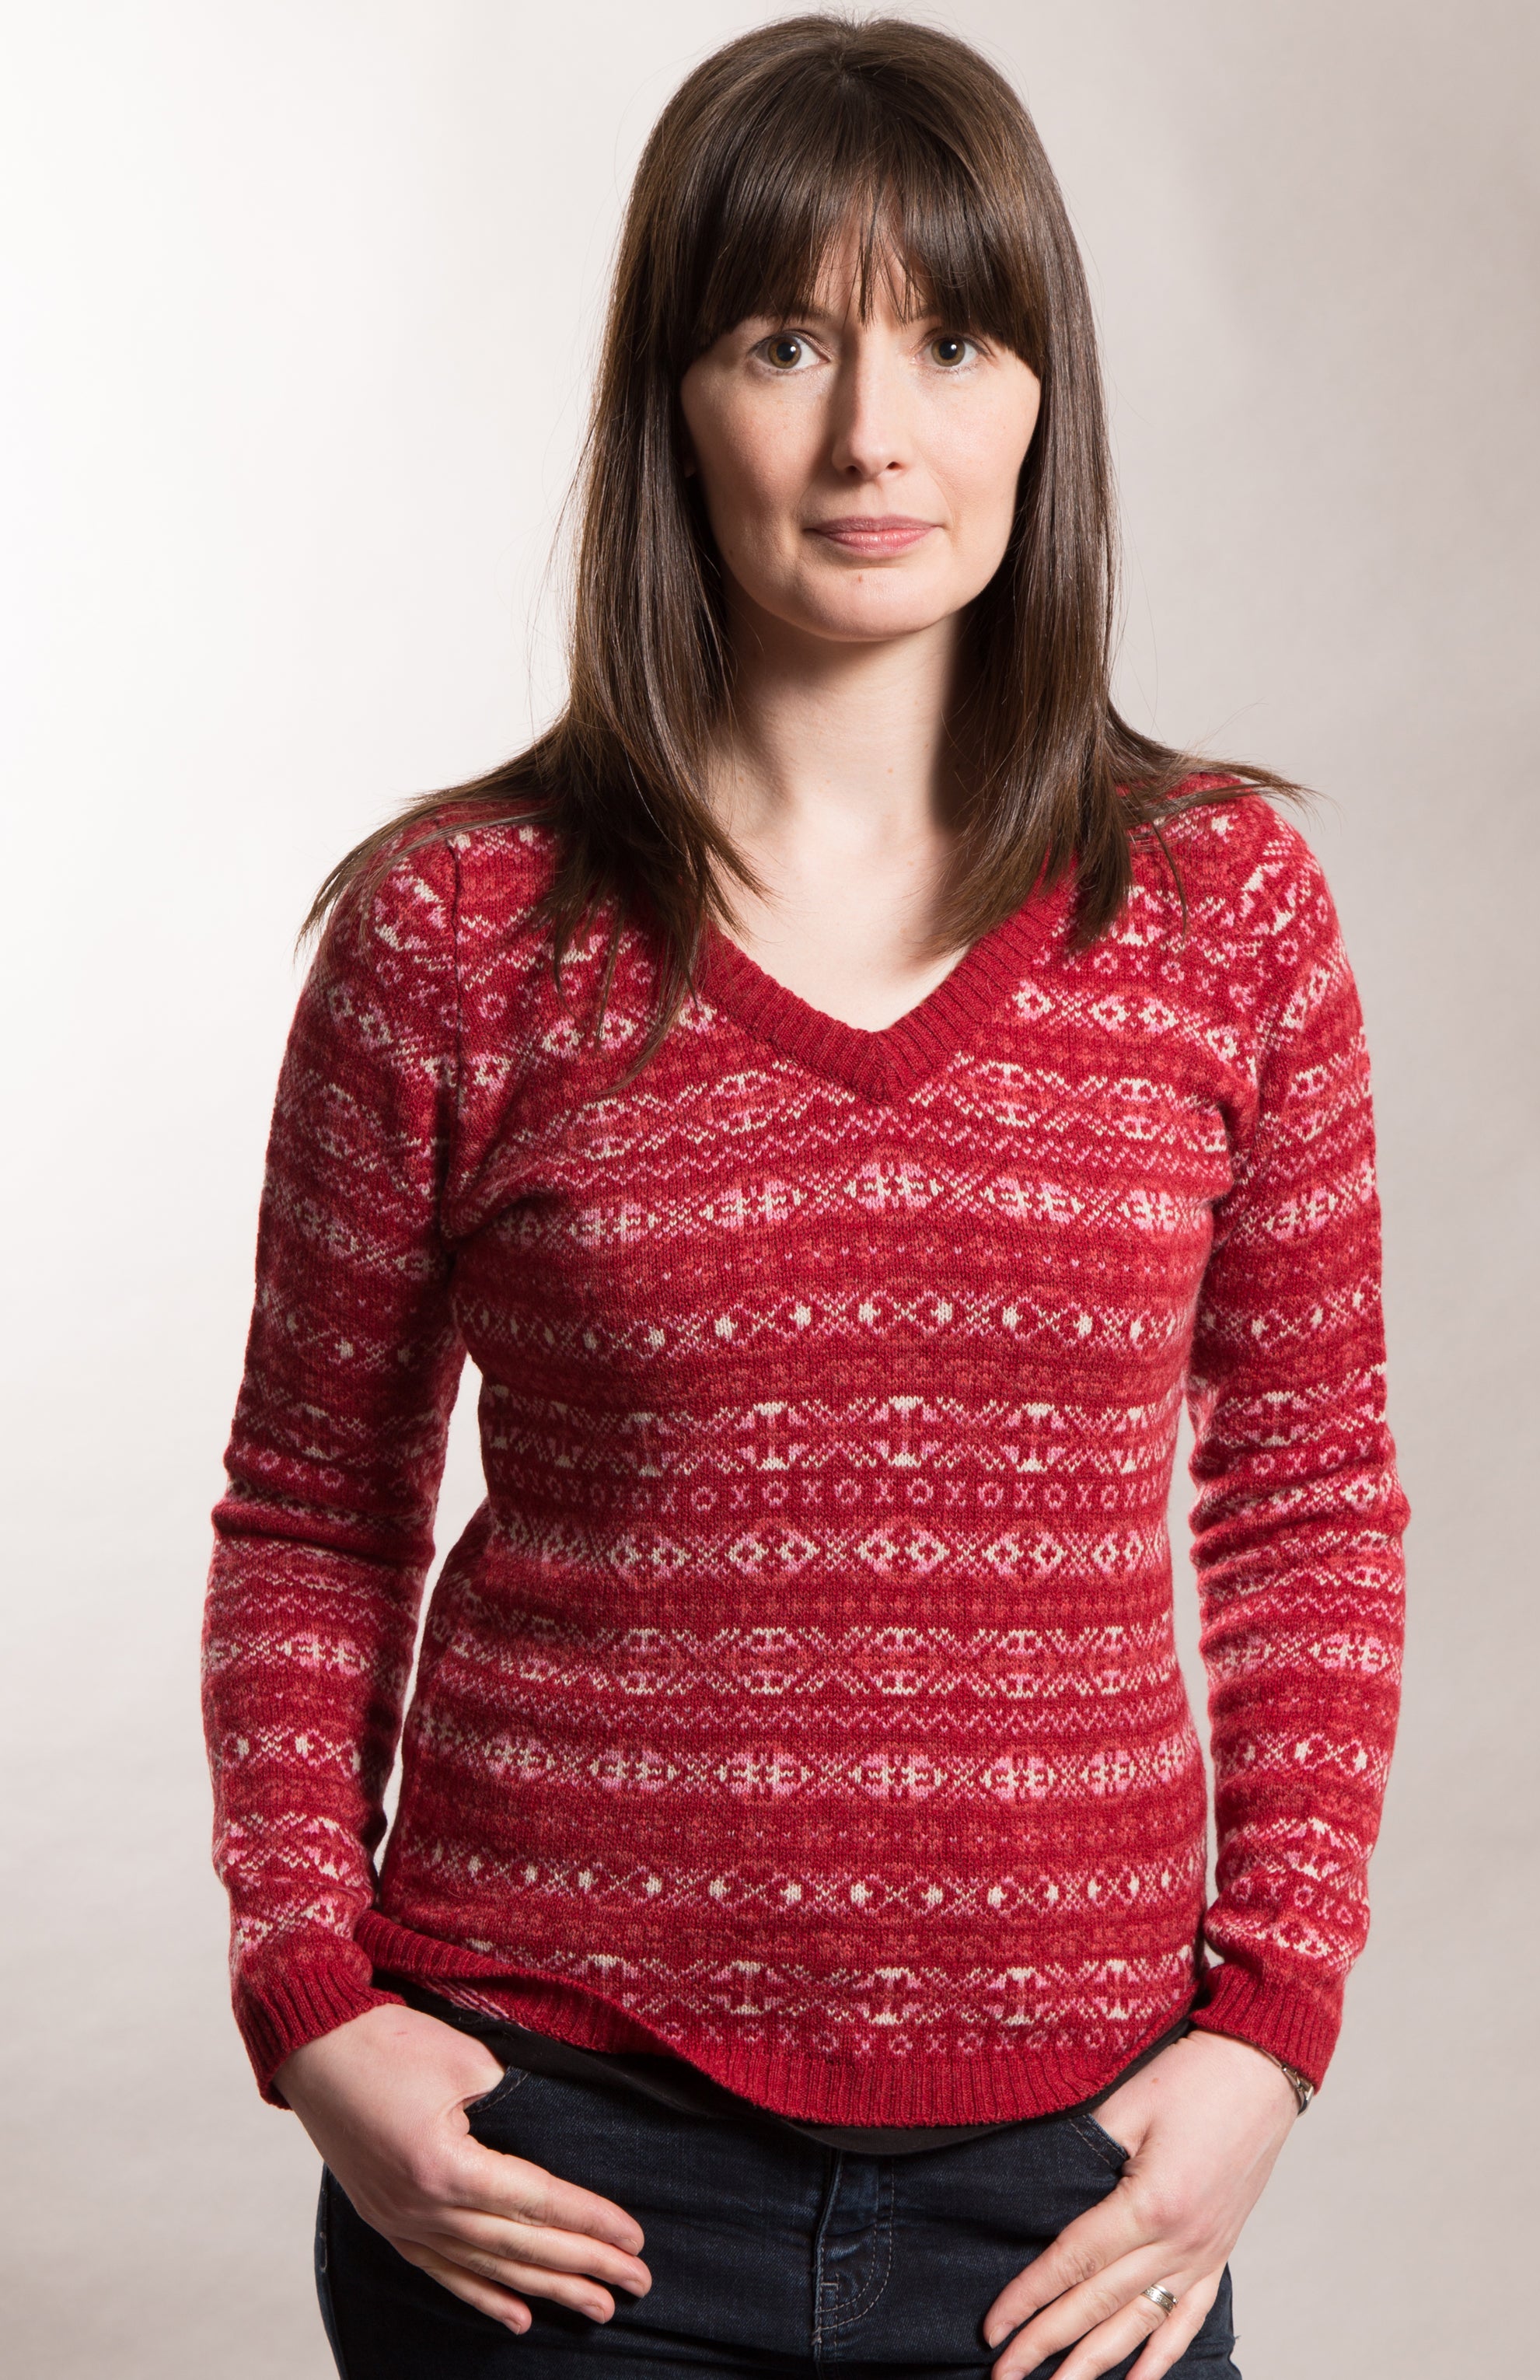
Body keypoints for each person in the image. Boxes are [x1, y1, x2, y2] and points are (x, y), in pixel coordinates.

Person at [201, 16, 1409, 2378]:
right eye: (784, 342)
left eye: (952, 341)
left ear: (1044, 399)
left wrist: (1272, 2029)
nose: (876, 433)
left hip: (1070, 2206)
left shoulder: (1226, 914)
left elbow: (1310, 1499)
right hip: (550, 2184)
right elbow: (309, 1510)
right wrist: (312, 1995)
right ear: (674, 401)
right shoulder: (456, 933)